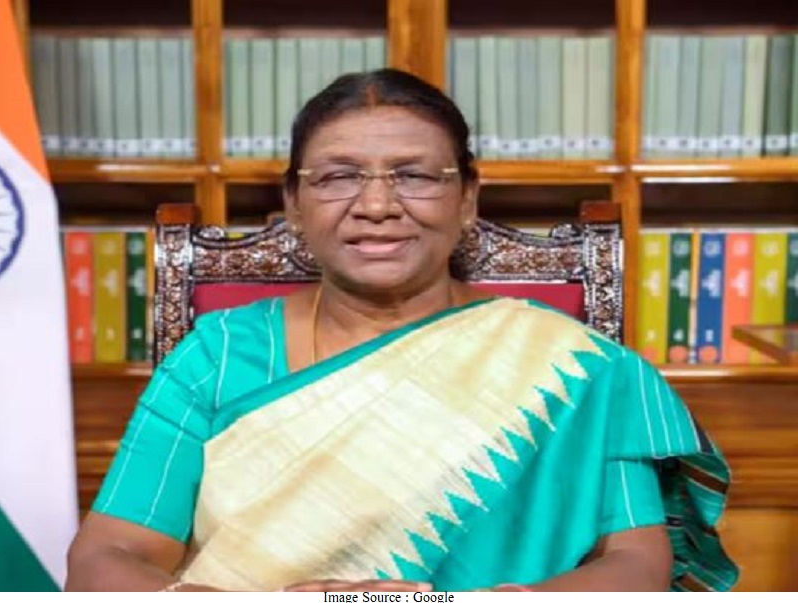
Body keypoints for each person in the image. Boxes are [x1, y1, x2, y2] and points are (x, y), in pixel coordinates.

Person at [65, 68, 738, 592]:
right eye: (338, 177)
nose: (377, 205)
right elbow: (105, 556)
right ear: (293, 203)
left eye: (414, 175)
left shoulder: (571, 365)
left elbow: (635, 561)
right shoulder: (216, 356)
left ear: (467, 198)